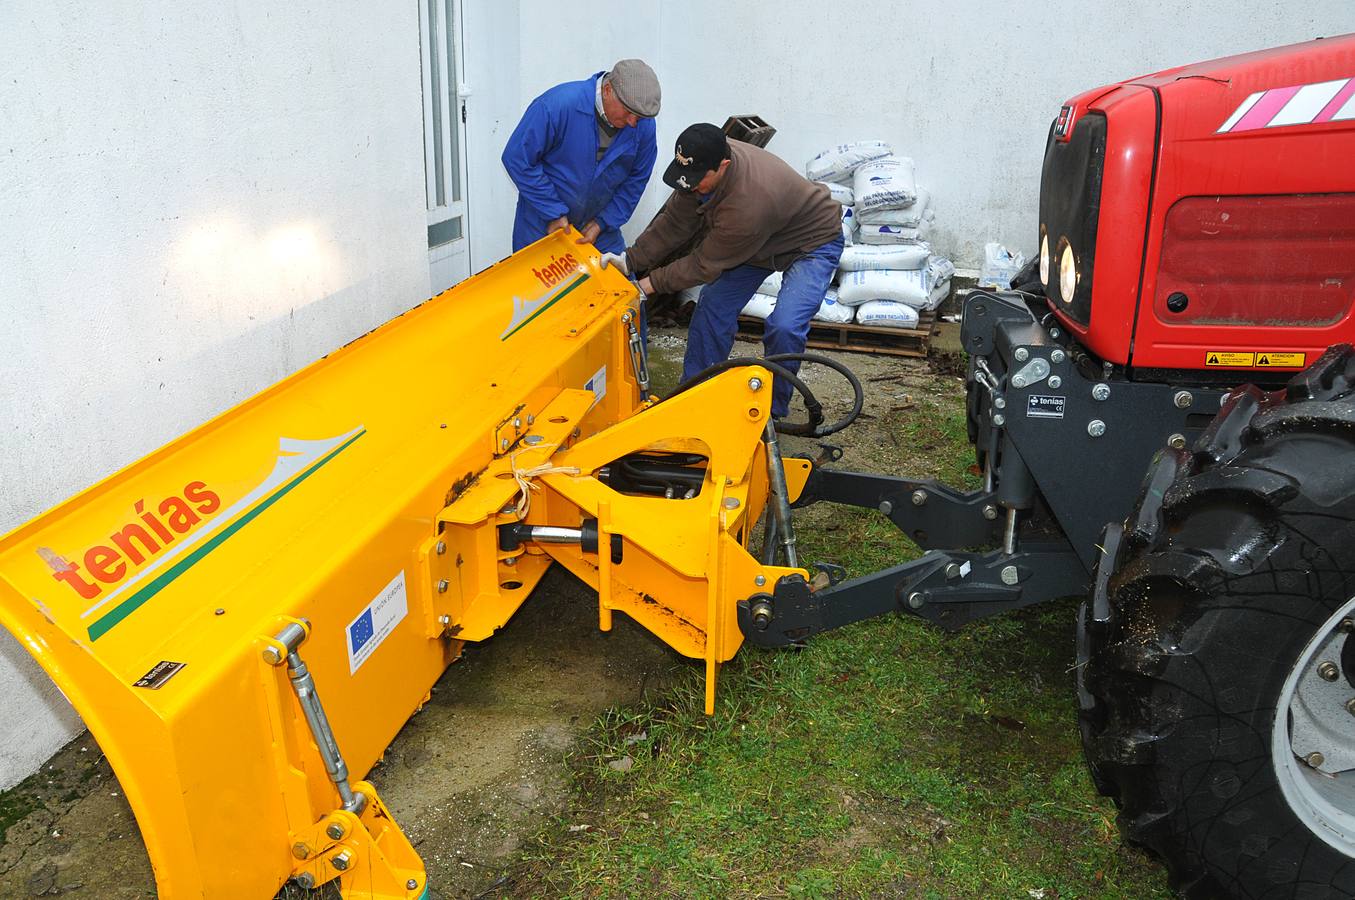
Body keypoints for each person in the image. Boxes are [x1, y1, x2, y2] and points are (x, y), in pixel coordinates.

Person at [602, 123, 843, 419]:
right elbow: (674, 223)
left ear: (724, 165)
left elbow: (703, 264)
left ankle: (770, 410)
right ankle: (696, 394)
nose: (690, 186)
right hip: (759, 243)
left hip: (811, 242)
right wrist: (630, 260)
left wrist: (648, 285)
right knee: (713, 307)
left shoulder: (748, 205)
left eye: (697, 180)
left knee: (785, 326)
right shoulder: (702, 164)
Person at [502, 60, 660, 255]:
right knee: (536, 285)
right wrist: (552, 211)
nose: (633, 123)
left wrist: (603, 222)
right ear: (608, 89)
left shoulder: (643, 126)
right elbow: (517, 159)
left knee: (622, 284)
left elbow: (636, 180)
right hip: (542, 222)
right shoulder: (556, 106)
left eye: (640, 117)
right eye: (629, 112)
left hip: (599, 229)